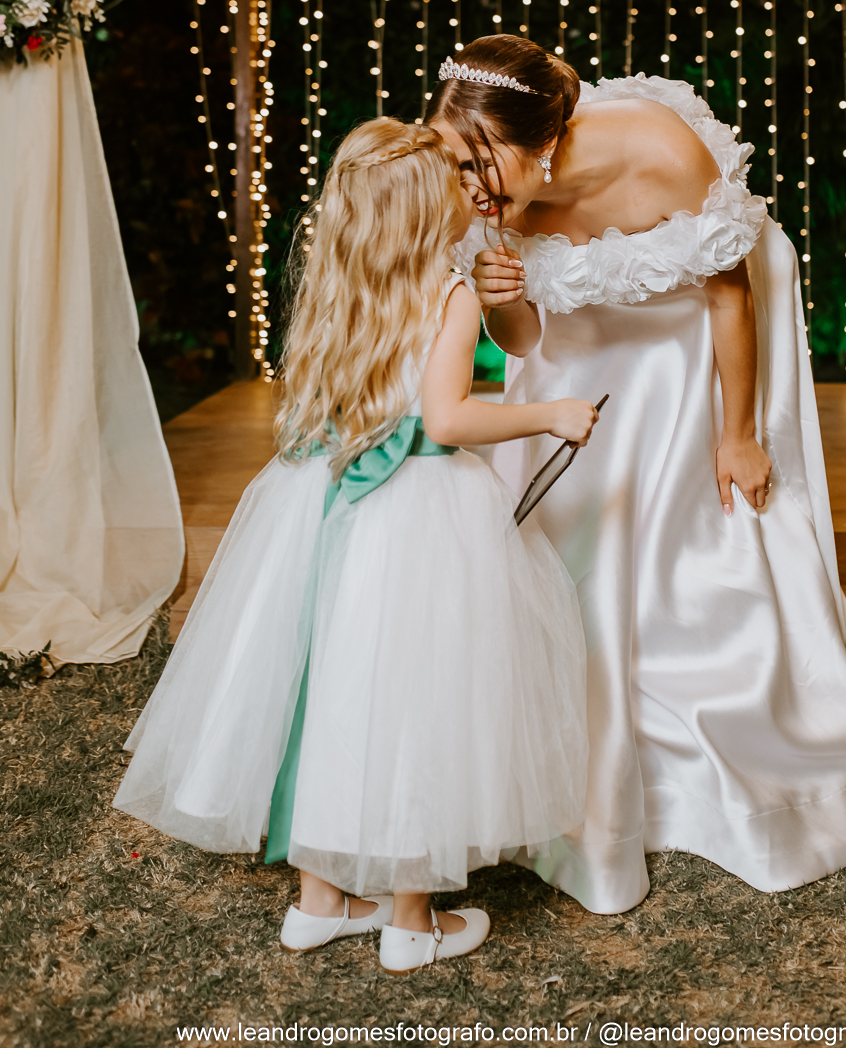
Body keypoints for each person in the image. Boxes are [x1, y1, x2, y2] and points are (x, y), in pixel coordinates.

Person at [429, 36, 846, 917]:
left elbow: (726, 295)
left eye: (484, 162)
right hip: (576, 347)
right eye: (457, 163)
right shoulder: (482, 191)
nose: (470, 186)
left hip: (686, 332)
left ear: (543, 141)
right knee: (561, 540)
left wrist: (737, 434)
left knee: (689, 522)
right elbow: (523, 342)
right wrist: (500, 294)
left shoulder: (659, 153)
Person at [114, 118, 595, 971]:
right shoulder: (447, 295)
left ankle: (320, 902)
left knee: (326, 688)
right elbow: (446, 419)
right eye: (456, 180)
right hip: (420, 515)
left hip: (323, 505)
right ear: (424, 210)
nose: (471, 189)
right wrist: (549, 413)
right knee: (420, 697)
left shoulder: (335, 285)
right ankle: (412, 921)